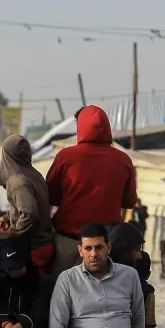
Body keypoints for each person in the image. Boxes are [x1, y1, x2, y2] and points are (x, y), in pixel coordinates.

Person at [46, 105, 137, 275]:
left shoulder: (66, 157)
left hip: (68, 243)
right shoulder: (123, 160)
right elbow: (130, 201)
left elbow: (51, 196)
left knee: (60, 294)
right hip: (107, 245)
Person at [0, 134, 55, 274]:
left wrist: (13, 234)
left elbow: (29, 213)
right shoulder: (34, 174)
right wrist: (7, 217)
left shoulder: (17, 181)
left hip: (32, 247)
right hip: (44, 244)